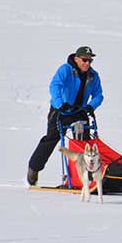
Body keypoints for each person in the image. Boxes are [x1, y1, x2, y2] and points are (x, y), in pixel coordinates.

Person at [27, 46, 103, 186]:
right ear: (76, 59)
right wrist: (60, 104)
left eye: (90, 61)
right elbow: (55, 86)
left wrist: (91, 106)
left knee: (85, 145)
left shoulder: (93, 75)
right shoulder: (65, 70)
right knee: (51, 139)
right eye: (84, 60)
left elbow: (99, 95)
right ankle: (34, 168)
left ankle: (84, 177)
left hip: (80, 111)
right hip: (60, 110)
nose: (87, 63)